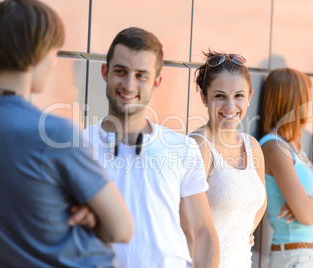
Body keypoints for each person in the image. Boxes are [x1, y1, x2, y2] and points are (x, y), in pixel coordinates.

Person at [0, 0, 133, 267]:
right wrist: (94, 216)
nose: (55, 64)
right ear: (39, 54)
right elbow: (121, 228)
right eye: (55, 53)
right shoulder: (53, 133)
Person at [83, 27, 220, 268]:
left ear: (156, 81)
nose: (128, 84)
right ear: (105, 72)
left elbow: (203, 232)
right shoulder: (78, 148)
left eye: (141, 75)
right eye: (120, 71)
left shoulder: (182, 148)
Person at [185, 51, 266, 267]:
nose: (230, 107)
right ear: (204, 97)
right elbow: (185, 220)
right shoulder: (198, 145)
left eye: (238, 95)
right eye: (220, 96)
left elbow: (261, 203)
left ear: (250, 96)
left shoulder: (253, 146)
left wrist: (242, 230)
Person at [258, 68, 313, 268]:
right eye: (307, 98)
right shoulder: (274, 147)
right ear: (294, 101)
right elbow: (308, 216)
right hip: (295, 257)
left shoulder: (294, 147)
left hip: (310, 255)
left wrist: (309, 202)